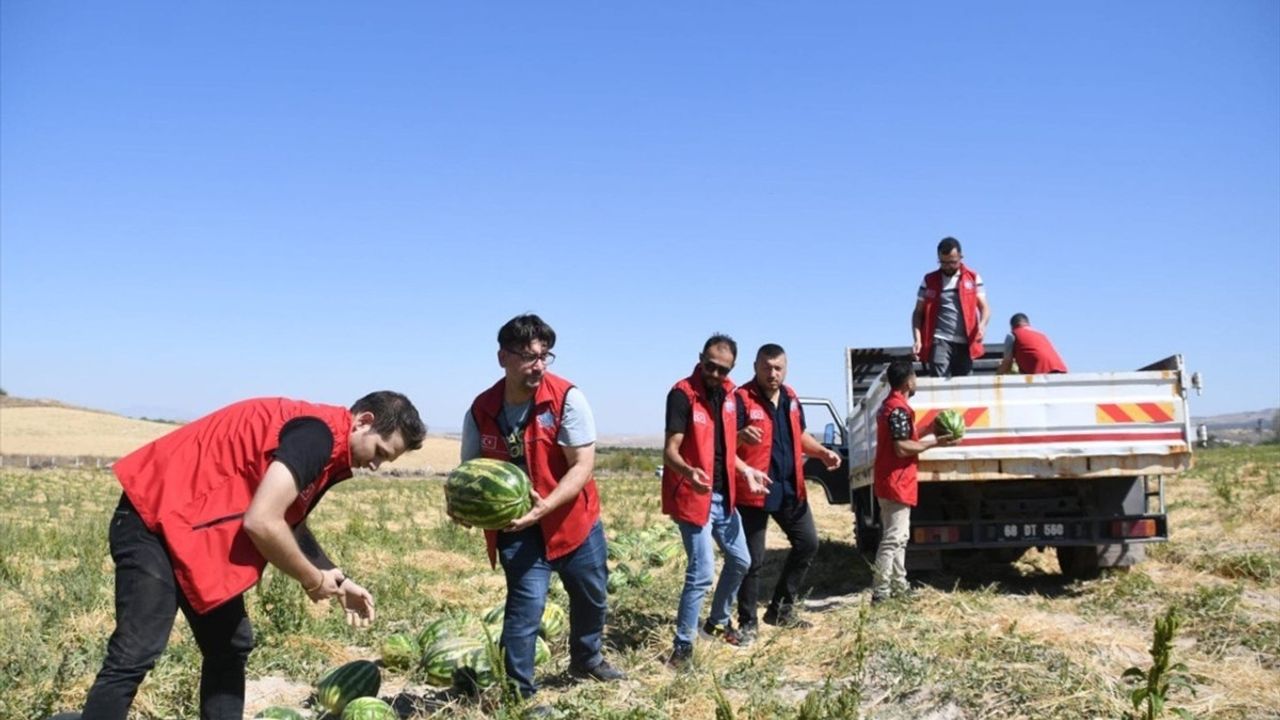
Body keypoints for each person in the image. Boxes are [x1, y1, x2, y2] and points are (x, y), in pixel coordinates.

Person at [76, 392, 427, 720]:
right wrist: (311, 579)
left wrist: (337, 577)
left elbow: (292, 524)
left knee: (229, 645)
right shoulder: (316, 436)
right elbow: (262, 522)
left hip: (189, 530)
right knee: (137, 650)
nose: (377, 465)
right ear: (363, 421)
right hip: (152, 519)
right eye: (380, 451)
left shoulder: (328, 444)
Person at [458, 314, 624, 711]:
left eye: (544, 356)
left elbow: (582, 465)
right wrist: (465, 508)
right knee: (525, 608)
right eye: (529, 356)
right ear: (503, 357)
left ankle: (587, 660)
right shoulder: (481, 410)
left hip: (572, 520)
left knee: (591, 596)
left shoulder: (567, 398)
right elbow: (469, 472)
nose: (539, 365)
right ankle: (519, 694)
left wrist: (546, 506)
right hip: (517, 526)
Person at [661, 334, 769, 667]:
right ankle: (682, 649)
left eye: (724, 370)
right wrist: (689, 472)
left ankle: (716, 623)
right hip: (694, 496)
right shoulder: (682, 395)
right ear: (700, 359)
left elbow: (722, 451)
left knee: (741, 560)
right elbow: (670, 452)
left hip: (724, 496)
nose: (716, 375)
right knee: (702, 572)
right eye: (710, 366)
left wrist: (747, 470)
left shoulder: (730, 396)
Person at [734, 344, 841, 643]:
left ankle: (781, 609)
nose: (772, 373)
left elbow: (800, 434)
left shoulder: (792, 398)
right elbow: (721, 444)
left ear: (786, 368)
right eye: (767, 367)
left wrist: (821, 452)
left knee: (808, 543)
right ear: (755, 366)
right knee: (752, 561)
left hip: (790, 487)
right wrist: (738, 436)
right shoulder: (741, 399)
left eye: (778, 368)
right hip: (753, 491)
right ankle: (747, 622)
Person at [872, 360, 955, 603]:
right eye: (915, 377)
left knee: (899, 536)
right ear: (908, 381)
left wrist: (928, 429)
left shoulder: (892, 407)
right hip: (896, 481)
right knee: (893, 537)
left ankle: (899, 585)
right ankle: (881, 591)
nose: (916, 380)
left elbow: (903, 436)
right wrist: (935, 443)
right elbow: (901, 447)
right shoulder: (897, 408)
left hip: (892, 480)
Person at [912, 236, 991, 378]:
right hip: (940, 339)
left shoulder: (973, 278)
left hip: (966, 342)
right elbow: (918, 313)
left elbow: (985, 308)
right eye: (943, 262)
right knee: (940, 383)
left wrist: (982, 325)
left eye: (953, 262)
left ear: (961, 257)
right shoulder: (929, 280)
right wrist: (918, 339)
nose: (948, 266)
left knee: (965, 386)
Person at [997, 313, 1068, 374]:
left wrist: (996, 377)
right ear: (1028, 324)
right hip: (1062, 371)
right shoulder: (1041, 335)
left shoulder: (1012, 335)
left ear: (1012, 326)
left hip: (1040, 372)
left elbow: (1007, 362)